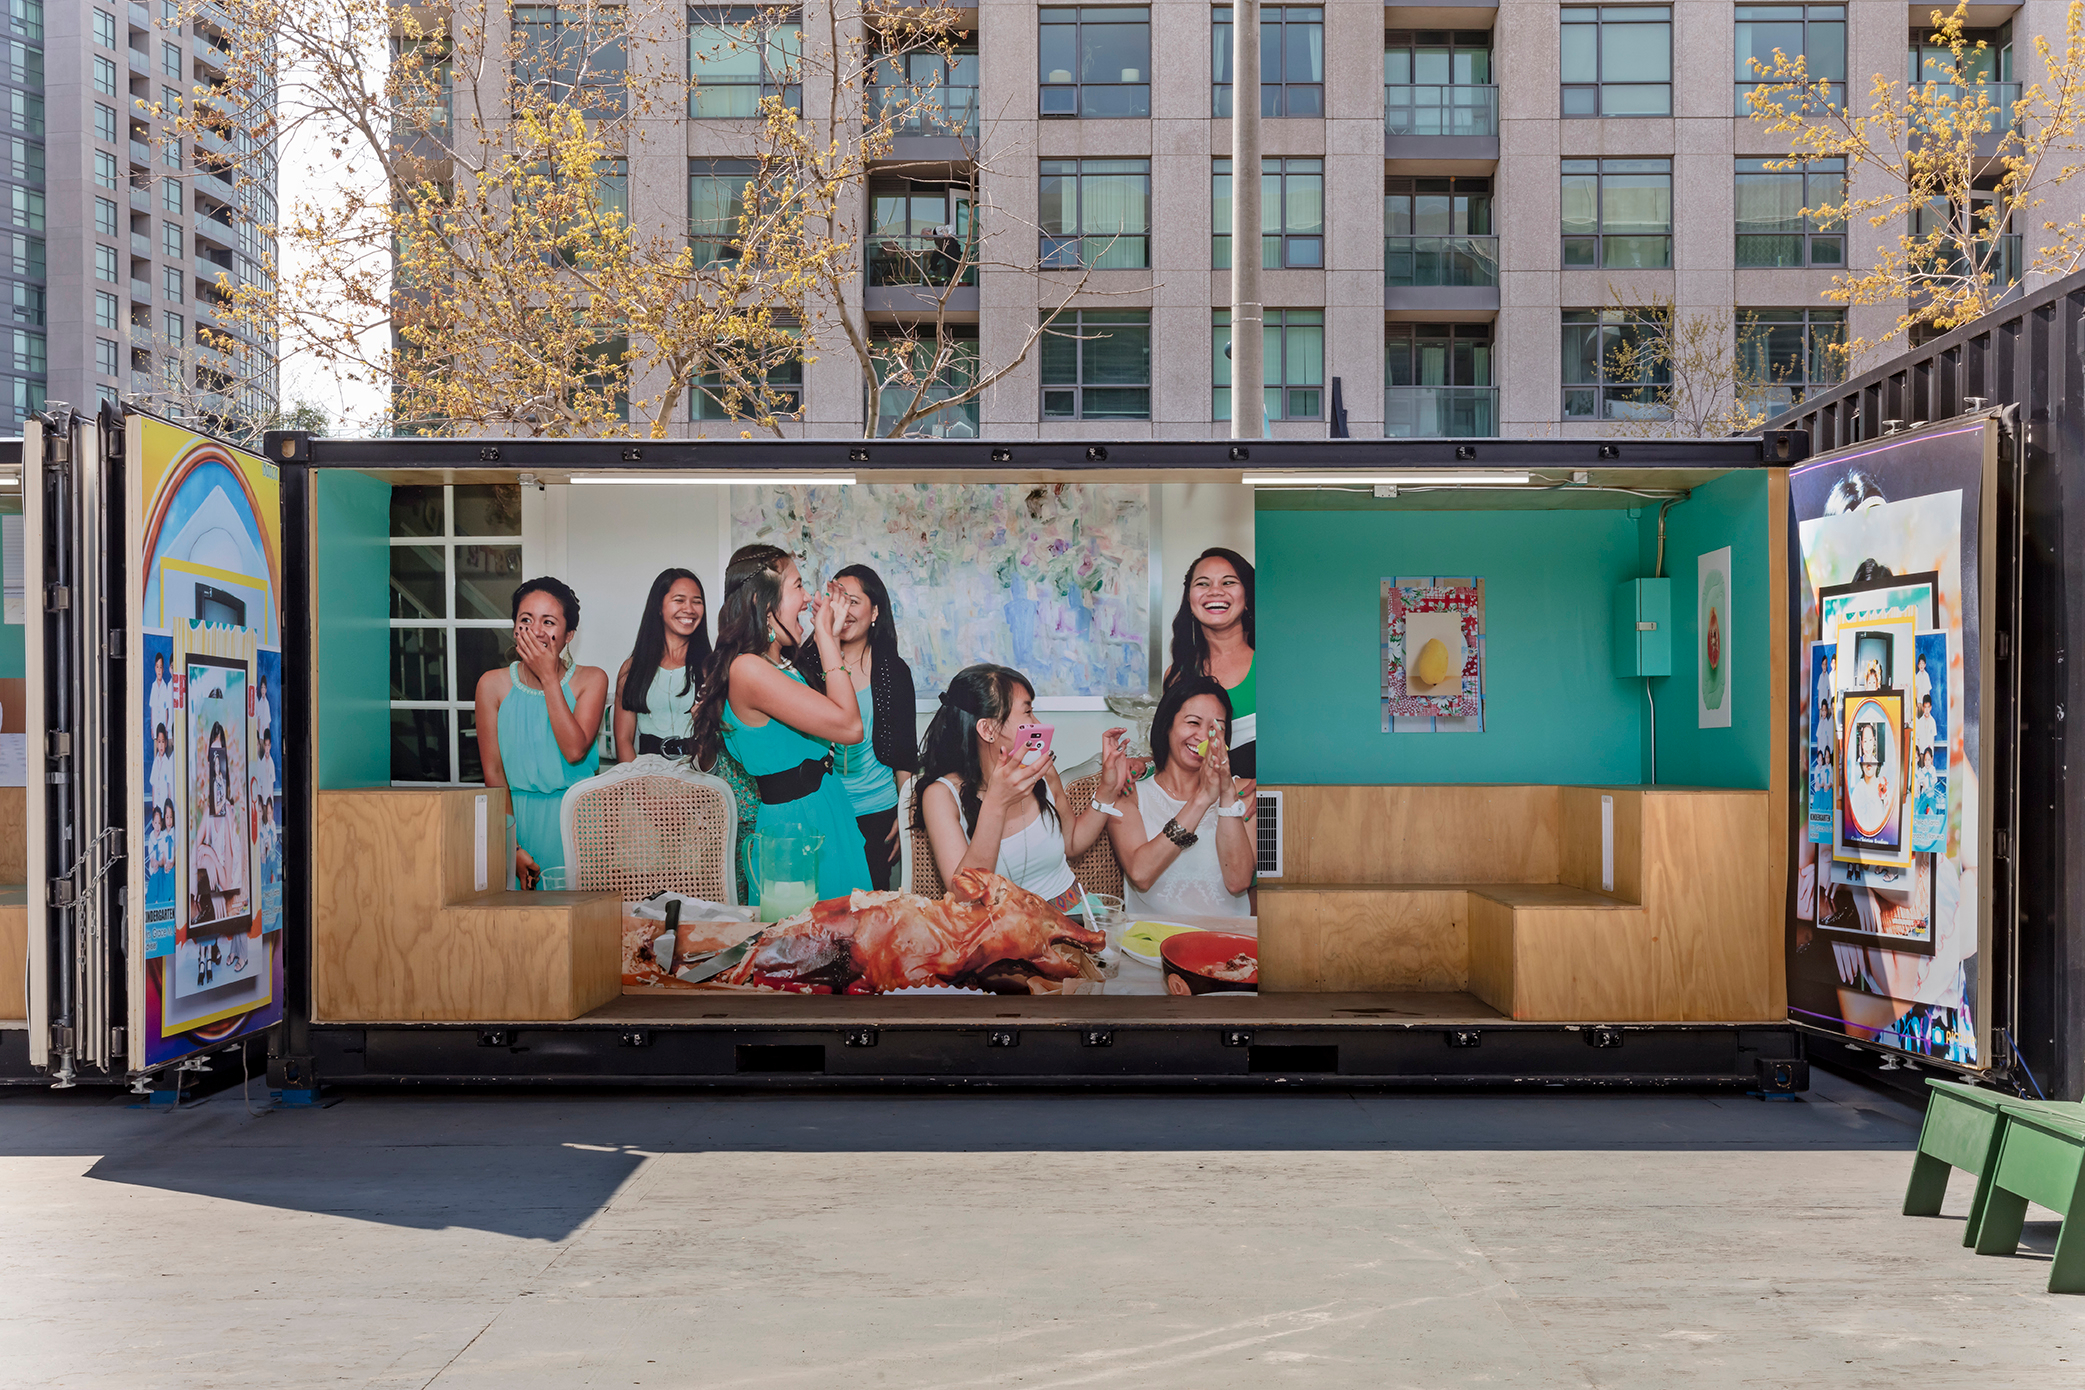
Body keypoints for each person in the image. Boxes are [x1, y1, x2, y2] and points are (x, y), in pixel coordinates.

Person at [689, 545, 872, 906]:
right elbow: (851, 727)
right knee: (807, 951)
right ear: (764, 603)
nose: (808, 599)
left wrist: (829, 638)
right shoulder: (748, 670)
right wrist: (824, 637)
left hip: (826, 809)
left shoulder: (783, 664)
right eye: (798, 586)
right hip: (795, 830)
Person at [916, 663, 1129, 911]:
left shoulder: (1041, 770)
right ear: (988, 729)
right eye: (1028, 713)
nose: (1037, 723)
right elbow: (965, 896)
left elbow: (1072, 843)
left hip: (1071, 913)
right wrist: (996, 802)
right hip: (1004, 931)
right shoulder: (942, 796)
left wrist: (1108, 788)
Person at [475, 577, 607, 890]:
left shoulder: (592, 680)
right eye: (526, 620)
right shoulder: (490, 685)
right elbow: (493, 774)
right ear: (514, 628)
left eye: (548, 622)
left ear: (568, 635)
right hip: (516, 824)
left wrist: (550, 677)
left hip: (577, 824)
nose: (535, 631)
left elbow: (574, 751)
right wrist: (512, 846)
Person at [796, 565, 920, 891]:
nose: (845, 611)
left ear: (875, 611)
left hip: (877, 810)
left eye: (854, 601)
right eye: (838, 601)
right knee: (819, 908)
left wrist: (904, 814)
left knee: (870, 911)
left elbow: (905, 754)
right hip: (820, 807)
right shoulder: (805, 666)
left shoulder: (893, 671)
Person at [1106, 674, 1256, 921]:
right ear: (1167, 725)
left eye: (1216, 726)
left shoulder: (1244, 794)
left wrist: (1226, 792)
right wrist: (1201, 800)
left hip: (1224, 944)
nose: (1203, 736)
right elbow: (1141, 875)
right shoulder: (1129, 795)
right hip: (1152, 947)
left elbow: (1238, 882)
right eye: (1193, 722)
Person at [1163, 548, 1257, 777]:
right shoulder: (1176, 675)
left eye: (1228, 582)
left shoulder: (1278, 666)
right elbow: (1171, 758)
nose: (1215, 591)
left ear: (1247, 597)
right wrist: (1140, 765)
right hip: (1197, 807)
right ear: (1189, 598)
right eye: (1203, 584)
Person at [614, 568, 712, 762]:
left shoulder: (712, 668)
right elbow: (623, 740)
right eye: (679, 600)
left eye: (697, 601)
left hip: (700, 780)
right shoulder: (631, 669)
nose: (689, 609)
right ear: (659, 606)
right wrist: (637, 788)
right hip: (645, 780)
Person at [190, 721, 248, 924]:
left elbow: (227, 881)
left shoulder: (230, 814)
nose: (216, 766)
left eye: (220, 757)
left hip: (229, 900)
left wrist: (210, 854)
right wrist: (205, 857)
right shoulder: (207, 811)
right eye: (213, 757)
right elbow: (193, 854)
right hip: (212, 899)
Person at [149, 653, 173, 749]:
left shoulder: (165, 687)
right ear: (155, 668)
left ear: (163, 669)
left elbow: (167, 709)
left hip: (163, 727)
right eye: (157, 667)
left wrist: (166, 727)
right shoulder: (153, 686)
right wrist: (152, 727)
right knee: (156, 750)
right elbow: (152, 708)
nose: (159, 670)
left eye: (161, 667)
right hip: (155, 726)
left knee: (164, 750)